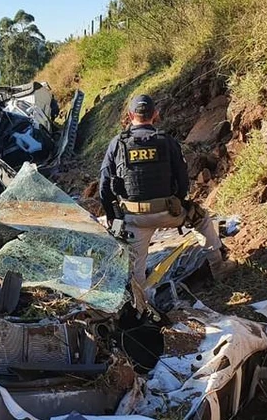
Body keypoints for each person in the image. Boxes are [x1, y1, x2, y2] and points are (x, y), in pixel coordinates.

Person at [99, 94, 231, 293]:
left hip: (134, 220)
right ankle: (219, 268)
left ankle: (142, 301)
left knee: (136, 274)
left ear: (129, 115)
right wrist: (179, 202)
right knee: (201, 219)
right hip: (169, 213)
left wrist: (112, 217)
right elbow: (183, 180)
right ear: (156, 114)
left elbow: (104, 187)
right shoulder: (167, 141)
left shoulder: (117, 144)